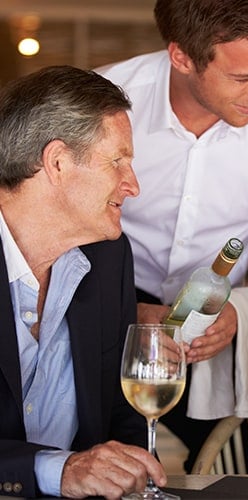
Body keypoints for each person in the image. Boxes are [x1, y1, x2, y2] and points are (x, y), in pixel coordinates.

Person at [97, 0, 248, 471]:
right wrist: (124, 309)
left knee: (234, 467)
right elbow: (52, 235)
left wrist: (237, 311)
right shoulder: (103, 102)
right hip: (99, 305)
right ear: (181, 57)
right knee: (96, 458)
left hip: (215, 315)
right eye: (244, 78)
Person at [0, 66, 168, 498]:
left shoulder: (109, 257)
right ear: (57, 162)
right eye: (118, 162)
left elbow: (121, 417)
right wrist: (59, 470)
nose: (133, 185)